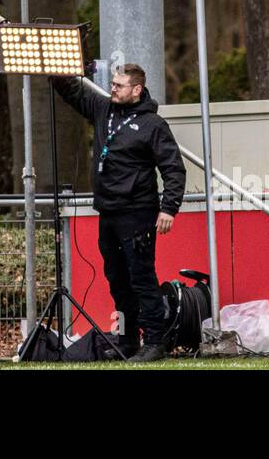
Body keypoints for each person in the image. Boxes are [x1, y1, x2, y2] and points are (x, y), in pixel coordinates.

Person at [52, 63, 185, 363]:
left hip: (137, 213)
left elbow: (173, 169)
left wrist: (169, 208)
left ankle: (154, 342)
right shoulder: (103, 109)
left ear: (136, 90)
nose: (112, 88)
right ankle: (127, 341)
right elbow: (72, 92)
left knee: (141, 278)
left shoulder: (153, 125)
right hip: (108, 212)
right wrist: (57, 68)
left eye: (119, 85)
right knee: (117, 280)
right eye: (112, 83)